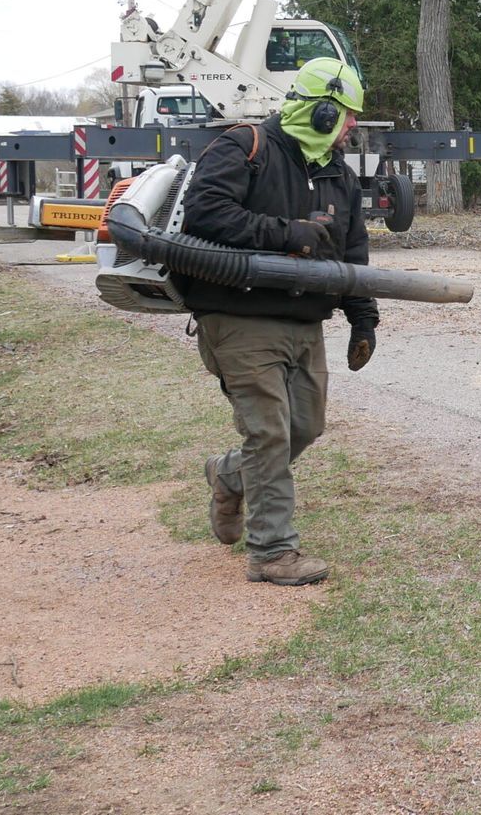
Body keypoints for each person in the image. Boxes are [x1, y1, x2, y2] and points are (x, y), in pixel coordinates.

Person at [178, 57, 379, 585]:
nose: (352, 126)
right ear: (320, 112)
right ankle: (272, 553)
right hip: (238, 315)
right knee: (268, 433)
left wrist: (363, 318)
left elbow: (353, 254)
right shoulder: (244, 148)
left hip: (303, 320)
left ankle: (227, 476)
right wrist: (285, 234)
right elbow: (205, 213)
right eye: (346, 115)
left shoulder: (339, 175)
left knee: (304, 427)